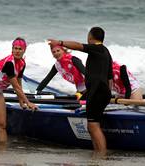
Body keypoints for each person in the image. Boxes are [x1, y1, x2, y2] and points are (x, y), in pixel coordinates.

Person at [48, 27, 113, 157]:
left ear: (90, 37)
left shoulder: (97, 48)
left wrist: (59, 42)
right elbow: (110, 77)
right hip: (102, 92)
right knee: (92, 126)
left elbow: (78, 46)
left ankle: (101, 156)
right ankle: (98, 154)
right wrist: (108, 94)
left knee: (93, 126)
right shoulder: (106, 52)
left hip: (97, 92)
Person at [0, 37, 37, 144]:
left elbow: (19, 83)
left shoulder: (22, 63)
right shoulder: (9, 63)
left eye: (20, 49)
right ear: (12, 49)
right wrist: (28, 102)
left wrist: (21, 102)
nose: (17, 51)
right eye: (15, 48)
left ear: (24, 50)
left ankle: (2, 152)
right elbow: (16, 87)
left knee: (2, 125)